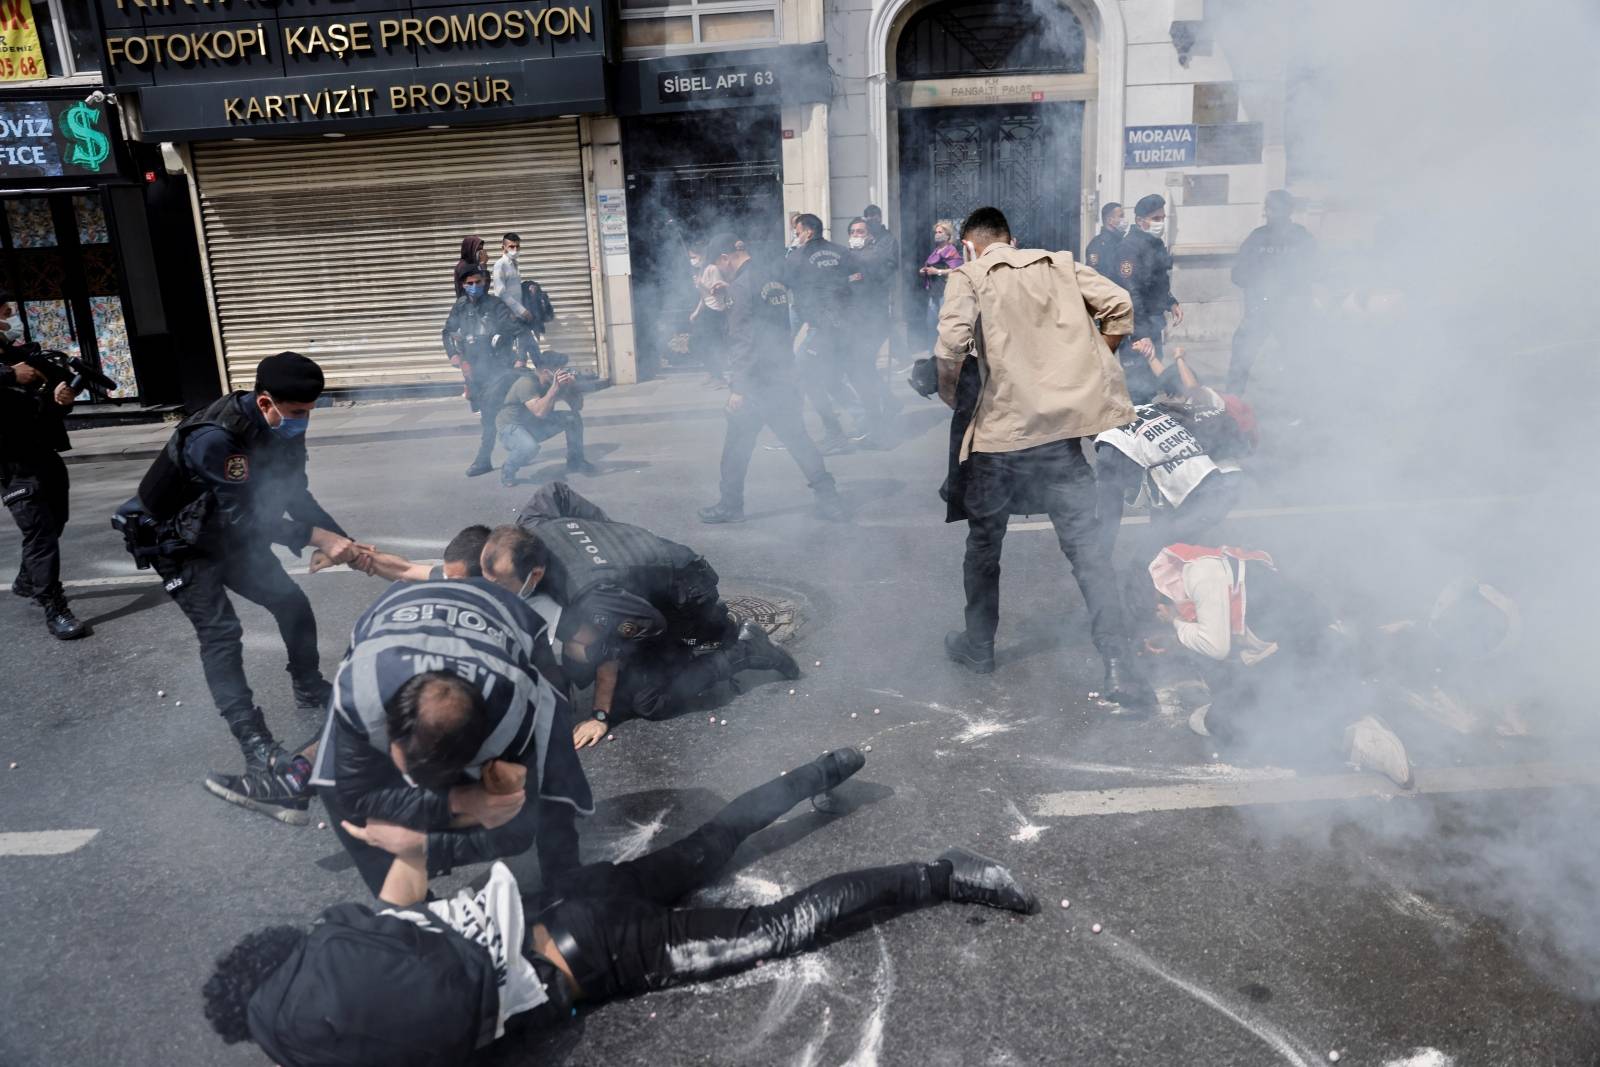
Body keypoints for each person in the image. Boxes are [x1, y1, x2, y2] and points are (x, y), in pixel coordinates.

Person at [203, 747, 1039, 1067]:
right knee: (712, 843)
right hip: (569, 894)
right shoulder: (338, 936)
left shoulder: (324, 1036)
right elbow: (410, 868)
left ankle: (943, 874)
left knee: (775, 929)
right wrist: (397, 833)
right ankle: (824, 769)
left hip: (594, 954)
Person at [115, 353, 364, 815]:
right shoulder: (215, 438)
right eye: (296, 414)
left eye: (310, 412)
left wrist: (342, 539)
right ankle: (255, 744)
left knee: (291, 603)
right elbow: (247, 516)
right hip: (178, 541)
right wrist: (312, 536)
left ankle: (308, 686)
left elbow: (294, 495)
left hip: (226, 533)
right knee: (222, 634)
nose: (303, 423)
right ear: (266, 402)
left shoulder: (283, 427)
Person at [932, 207, 1152, 708]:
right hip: (1059, 436)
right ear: (1014, 238)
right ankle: (1118, 664)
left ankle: (980, 647)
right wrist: (1091, 363)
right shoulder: (1059, 263)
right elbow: (1119, 304)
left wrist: (953, 397)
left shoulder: (969, 275)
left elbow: (950, 344)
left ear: (970, 244)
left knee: (985, 546)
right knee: (1088, 552)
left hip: (1000, 437)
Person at [308, 569, 594, 895]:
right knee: (335, 790)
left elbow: (519, 832)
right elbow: (353, 796)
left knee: (553, 774)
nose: (416, 784)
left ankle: (566, 883)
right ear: (389, 730)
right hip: (398, 610)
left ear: (482, 748)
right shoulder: (359, 693)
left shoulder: (512, 713)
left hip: (504, 612)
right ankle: (413, 915)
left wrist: (423, 844)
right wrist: (459, 800)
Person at [506, 482, 801, 745]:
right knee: (593, 649)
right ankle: (711, 633)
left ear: (534, 571)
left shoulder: (590, 592)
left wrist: (600, 712)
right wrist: (611, 537)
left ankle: (746, 649)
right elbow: (555, 492)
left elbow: (644, 625)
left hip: (687, 592)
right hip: (658, 573)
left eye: (505, 584)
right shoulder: (528, 531)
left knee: (647, 699)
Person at [1146, 543, 1413, 787]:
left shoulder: (1201, 575)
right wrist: (1180, 634)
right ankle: (1326, 706)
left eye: (1159, 611)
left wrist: (1175, 623)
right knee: (1220, 716)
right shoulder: (1204, 570)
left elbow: (1216, 647)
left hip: (1313, 656)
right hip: (1300, 652)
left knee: (1226, 726)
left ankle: (1358, 739)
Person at [695, 231, 847, 525]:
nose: (720, 270)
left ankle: (731, 505)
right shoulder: (769, 277)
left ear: (726, 257)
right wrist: (728, 295)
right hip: (781, 374)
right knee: (799, 441)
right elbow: (763, 319)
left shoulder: (740, 287)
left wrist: (738, 388)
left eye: (719, 264)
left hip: (756, 382)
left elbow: (744, 339)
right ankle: (832, 502)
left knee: (736, 448)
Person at [1, 331, 90, 639]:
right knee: (39, 532)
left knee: (56, 521)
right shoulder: (10, 365)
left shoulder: (19, 352)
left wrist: (62, 400)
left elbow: (47, 402)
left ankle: (28, 579)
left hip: (45, 453)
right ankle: (54, 607)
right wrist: (10, 373)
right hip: (12, 462)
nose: (7, 311)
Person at [444, 262, 532, 478]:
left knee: (490, 416)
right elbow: (447, 331)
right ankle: (521, 445)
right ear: (463, 285)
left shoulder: (496, 306)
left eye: (478, 282)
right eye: (470, 283)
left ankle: (485, 459)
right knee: (492, 413)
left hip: (498, 369)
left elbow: (520, 331)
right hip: (475, 371)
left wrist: (520, 359)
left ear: (485, 283)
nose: (474, 286)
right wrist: (453, 355)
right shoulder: (460, 306)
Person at [1227, 190, 1317, 394]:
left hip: (1290, 315)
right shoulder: (1257, 237)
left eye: (1274, 208)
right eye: (1267, 207)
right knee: (1240, 359)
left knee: (1298, 363)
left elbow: (1315, 270)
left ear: (1288, 210)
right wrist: (1257, 282)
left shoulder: (1301, 237)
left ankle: (1304, 408)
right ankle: (1231, 407)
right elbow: (1238, 273)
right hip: (1258, 311)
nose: (1269, 212)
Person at [786, 213, 855, 454]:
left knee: (806, 374)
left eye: (798, 230)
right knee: (831, 377)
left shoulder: (798, 257)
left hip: (822, 327)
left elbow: (784, 280)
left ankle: (837, 434)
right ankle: (863, 419)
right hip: (844, 324)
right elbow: (857, 278)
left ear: (809, 232)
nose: (796, 235)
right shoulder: (841, 252)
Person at [843, 216, 900, 445]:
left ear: (870, 235)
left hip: (873, 321)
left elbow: (880, 277)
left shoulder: (877, 256)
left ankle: (876, 424)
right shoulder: (847, 257)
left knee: (861, 369)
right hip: (855, 321)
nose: (857, 235)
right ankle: (888, 403)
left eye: (861, 231)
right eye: (854, 231)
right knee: (859, 368)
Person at [495, 364, 594, 487]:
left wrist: (572, 387)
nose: (564, 373)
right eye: (561, 370)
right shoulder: (527, 383)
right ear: (547, 371)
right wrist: (554, 389)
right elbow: (540, 412)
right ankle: (508, 470)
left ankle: (575, 461)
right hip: (511, 426)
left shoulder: (554, 382)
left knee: (572, 418)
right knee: (529, 447)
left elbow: (577, 407)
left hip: (534, 424)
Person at [1113, 194, 1182, 364]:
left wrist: (1171, 302)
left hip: (1153, 322)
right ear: (1140, 221)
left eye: (1162, 218)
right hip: (1135, 326)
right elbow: (1131, 293)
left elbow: (1158, 282)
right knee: (1138, 384)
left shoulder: (1155, 243)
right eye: (1155, 218)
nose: (1160, 223)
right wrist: (1142, 334)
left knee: (1154, 378)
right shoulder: (1129, 248)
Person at [325, 524, 491, 584]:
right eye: (448, 579)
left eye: (456, 582)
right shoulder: (457, 575)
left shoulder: (513, 598)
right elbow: (406, 570)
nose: (446, 586)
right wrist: (353, 553)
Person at [917, 219, 963, 354]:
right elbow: (931, 266)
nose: (937, 234)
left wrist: (937, 272)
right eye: (936, 232)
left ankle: (947, 354)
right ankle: (934, 354)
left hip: (945, 292)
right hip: (934, 292)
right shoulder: (936, 251)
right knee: (931, 324)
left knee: (945, 325)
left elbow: (957, 269)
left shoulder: (951, 250)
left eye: (940, 232)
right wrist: (925, 271)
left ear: (948, 235)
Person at [687, 245, 729, 385]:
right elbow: (703, 297)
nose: (692, 260)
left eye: (694, 257)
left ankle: (719, 376)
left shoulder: (712, 269)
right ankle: (713, 372)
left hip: (716, 310)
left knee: (711, 343)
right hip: (707, 310)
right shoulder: (701, 271)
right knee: (697, 343)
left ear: (702, 256)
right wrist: (696, 312)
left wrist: (701, 284)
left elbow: (718, 291)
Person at [490, 232, 533, 324]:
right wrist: (522, 310)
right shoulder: (500, 265)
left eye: (517, 246)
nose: (515, 249)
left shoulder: (514, 264)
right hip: (507, 316)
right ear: (503, 248)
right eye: (511, 247)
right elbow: (501, 293)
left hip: (517, 316)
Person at [1084, 202, 1124, 279]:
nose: (1123, 220)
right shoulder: (1096, 244)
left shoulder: (1121, 241)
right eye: (1121, 216)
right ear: (1110, 220)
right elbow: (1093, 272)